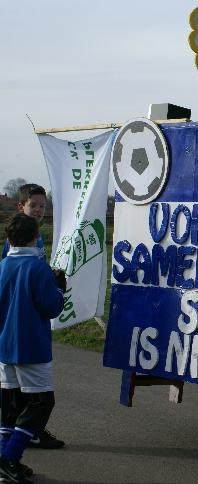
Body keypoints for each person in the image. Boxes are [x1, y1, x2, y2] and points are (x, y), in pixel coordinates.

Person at [0, 214, 64, 483]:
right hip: (32, 346)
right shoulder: (38, 268)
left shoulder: (2, 265)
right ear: (35, 237)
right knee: (41, 403)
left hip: (4, 346)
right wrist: (59, 288)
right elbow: (52, 307)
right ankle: (9, 458)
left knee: (10, 406)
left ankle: (6, 460)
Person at [2, 184, 47, 261]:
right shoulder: (16, 236)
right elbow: (8, 264)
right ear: (21, 207)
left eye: (42, 206)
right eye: (33, 205)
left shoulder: (38, 233)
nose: (38, 209)